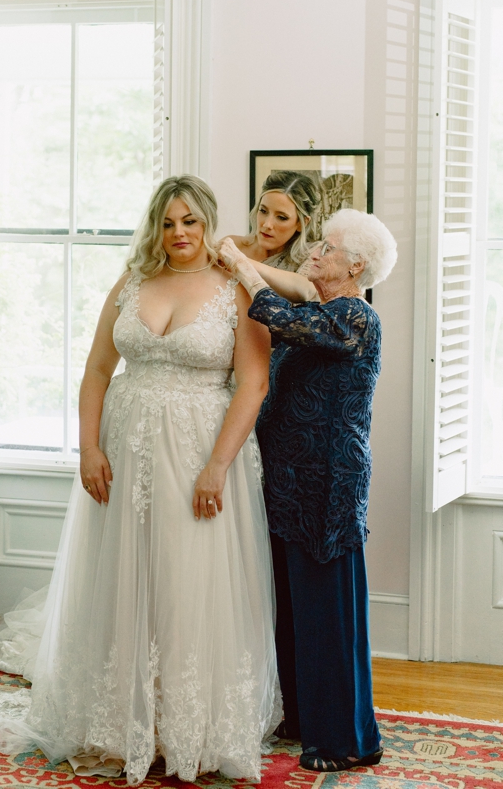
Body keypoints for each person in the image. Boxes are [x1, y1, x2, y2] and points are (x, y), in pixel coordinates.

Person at [0, 176, 279, 784]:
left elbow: (253, 384)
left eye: (190, 222)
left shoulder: (236, 291)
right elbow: (96, 369)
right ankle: (121, 719)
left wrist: (218, 464)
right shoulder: (131, 282)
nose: (179, 235)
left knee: (187, 578)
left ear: (208, 223)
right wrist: (88, 447)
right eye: (168, 223)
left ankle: (187, 726)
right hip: (124, 452)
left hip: (200, 450)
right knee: (125, 577)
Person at [218, 209, 397, 773]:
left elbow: (272, 312)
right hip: (287, 481)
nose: (314, 252)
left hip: (328, 484)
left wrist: (244, 267)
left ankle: (343, 739)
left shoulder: (355, 316)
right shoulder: (321, 308)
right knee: (290, 608)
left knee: (326, 612)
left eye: (327, 246)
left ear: (356, 266)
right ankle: (300, 721)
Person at [230, 170, 324, 275]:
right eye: (263, 211)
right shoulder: (232, 245)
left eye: (281, 217)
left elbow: (307, 289)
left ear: (301, 223)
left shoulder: (312, 257)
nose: (267, 224)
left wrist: (239, 261)